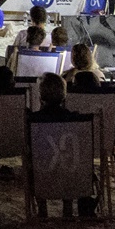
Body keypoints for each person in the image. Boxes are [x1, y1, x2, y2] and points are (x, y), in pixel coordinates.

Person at [29, 73, 96, 218]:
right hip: (69, 167)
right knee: (70, 161)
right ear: (64, 96)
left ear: (40, 96)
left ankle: (42, 210)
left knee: (34, 164)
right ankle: (67, 209)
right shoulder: (75, 119)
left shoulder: (33, 120)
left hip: (42, 168)